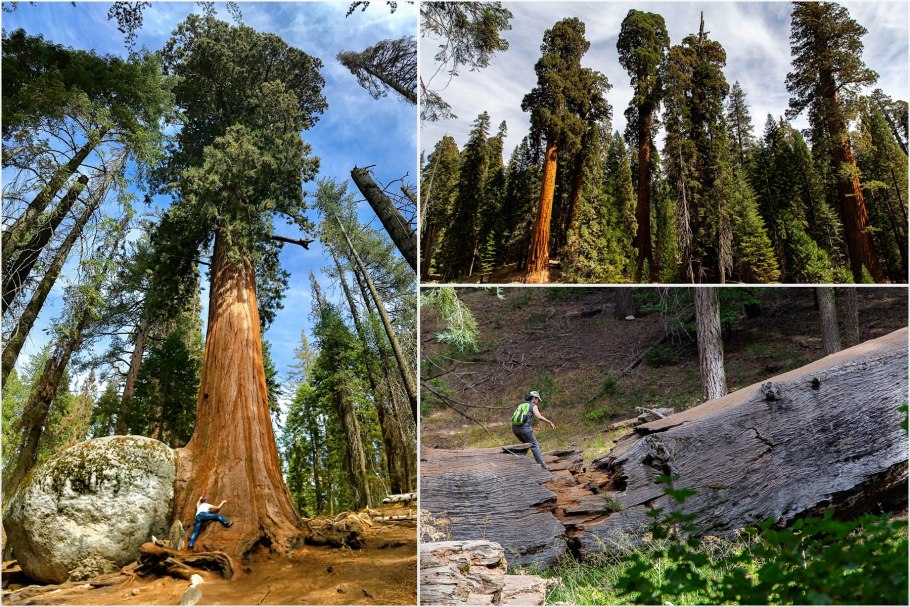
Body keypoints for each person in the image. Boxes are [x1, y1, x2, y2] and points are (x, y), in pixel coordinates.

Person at [511, 390, 555, 470]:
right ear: (534, 398)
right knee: (534, 445)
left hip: (514, 428)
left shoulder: (521, 405)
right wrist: (549, 422)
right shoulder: (533, 406)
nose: (538, 401)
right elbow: (539, 417)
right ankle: (542, 466)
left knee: (525, 444)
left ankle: (518, 461)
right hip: (525, 428)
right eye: (537, 399)